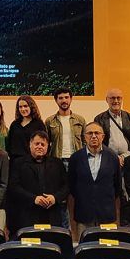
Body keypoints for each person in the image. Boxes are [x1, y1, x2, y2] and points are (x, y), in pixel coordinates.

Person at [67, 122, 122, 239]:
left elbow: (117, 187)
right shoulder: (75, 158)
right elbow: (72, 188)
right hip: (84, 215)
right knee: (85, 250)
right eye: (90, 133)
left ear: (103, 136)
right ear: (84, 137)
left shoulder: (112, 157)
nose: (93, 136)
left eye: (97, 133)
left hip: (107, 216)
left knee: (107, 250)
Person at [8, 131, 67, 233]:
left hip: (52, 215)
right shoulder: (18, 163)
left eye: (43, 144)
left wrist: (55, 198)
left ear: (48, 146)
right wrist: (34, 198)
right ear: (30, 144)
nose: (39, 146)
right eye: (37, 143)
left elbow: (66, 186)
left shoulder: (57, 163)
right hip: (27, 216)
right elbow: (13, 187)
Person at [45, 87, 85, 228]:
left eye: (66, 97)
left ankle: (80, 232)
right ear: (56, 100)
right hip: (57, 162)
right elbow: (46, 144)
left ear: (71, 99)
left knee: (80, 197)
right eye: (60, 98)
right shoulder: (50, 121)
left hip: (77, 162)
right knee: (60, 200)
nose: (64, 100)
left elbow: (85, 142)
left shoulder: (80, 120)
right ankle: (64, 232)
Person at [94, 88, 130, 159]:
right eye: (112, 98)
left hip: (128, 158)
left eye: (118, 98)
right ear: (107, 100)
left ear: (122, 99)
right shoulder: (99, 119)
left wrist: (124, 156)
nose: (116, 101)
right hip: (107, 159)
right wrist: (114, 157)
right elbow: (98, 142)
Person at [6, 95, 46, 162]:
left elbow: (43, 144)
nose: (23, 109)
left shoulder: (39, 124)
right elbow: (9, 144)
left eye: (25, 106)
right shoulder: (14, 124)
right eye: (20, 107)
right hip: (15, 162)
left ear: (31, 107)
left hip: (32, 162)